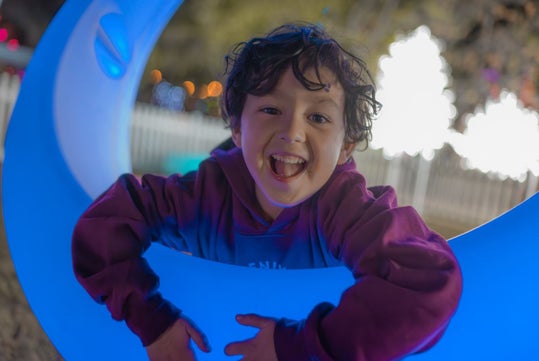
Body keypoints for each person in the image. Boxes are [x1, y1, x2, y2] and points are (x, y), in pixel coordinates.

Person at [72, 22, 462, 361]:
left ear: (346, 146)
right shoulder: (204, 198)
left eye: (318, 117)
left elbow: (426, 283)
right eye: (272, 110)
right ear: (237, 127)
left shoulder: (344, 207)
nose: (292, 131)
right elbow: (103, 226)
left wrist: (302, 347)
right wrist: (152, 321)